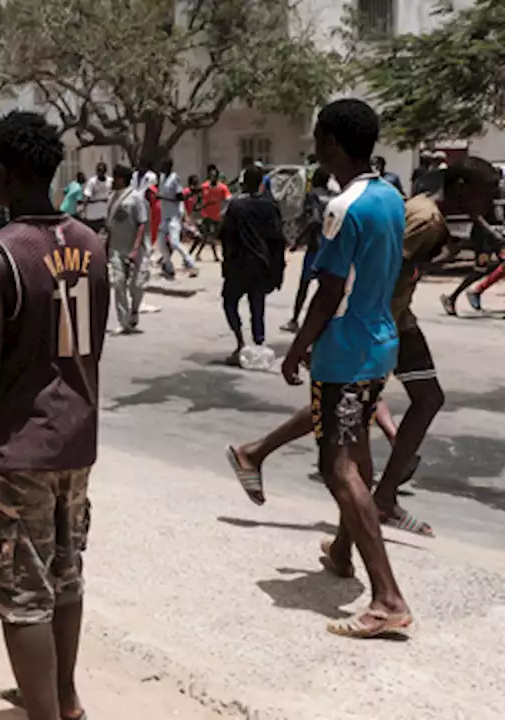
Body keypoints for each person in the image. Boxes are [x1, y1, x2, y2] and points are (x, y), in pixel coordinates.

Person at [228, 99, 414, 639]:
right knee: (358, 452)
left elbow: (329, 289)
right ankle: (340, 550)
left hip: (346, 351)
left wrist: (297, 349)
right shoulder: (390, 198)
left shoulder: (342, 208)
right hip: (380, 341)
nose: (315, 146)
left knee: (339, 468)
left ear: (333, 143)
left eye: (318, 138)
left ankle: (387, 598)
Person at [0, 110, 108, 720]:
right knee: (64, 573)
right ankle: (65, 700)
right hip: (77, 439)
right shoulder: (91, 244)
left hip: (18, 450)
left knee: (23, 594)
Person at [219, 166, 285, 366]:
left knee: (229, 302)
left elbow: (225, 236)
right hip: (261, 264)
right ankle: (258, 344)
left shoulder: (236, 207)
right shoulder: (270, 207)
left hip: (239, 263)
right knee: (257, 306)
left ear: (244, 182)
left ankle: (240, 342)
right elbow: (278, 240)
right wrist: (279, 269)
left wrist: (226, 261)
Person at [282, 167, 335, 332]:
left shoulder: (313, 197)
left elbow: (314, 221)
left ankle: (295, 320)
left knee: (304, 285)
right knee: (327, 286)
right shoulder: (333, 197)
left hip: (315, 247)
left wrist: (298, 240)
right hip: (330, 245)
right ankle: (328, 321)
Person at [105, 164, 150, 334]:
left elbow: (142, 224)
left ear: (120, 179)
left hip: (136, 250)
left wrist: (135, 249)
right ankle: (124, 322)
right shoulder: (111, 199)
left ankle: (134, 310)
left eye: (114, 178)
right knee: (118, 283)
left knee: (137, 285)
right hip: (116, 248)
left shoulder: (136, 198)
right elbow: (108, 226)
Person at [156, 158, 198, 279]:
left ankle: (190, 263)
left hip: (174, 214)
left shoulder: (175, 178)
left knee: (174, 242)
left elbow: (179, 197)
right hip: (165, 215)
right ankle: (168, 266)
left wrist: (163, 197)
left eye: (163, 165)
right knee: (161, 242)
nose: (161, 168)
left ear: (169, 166)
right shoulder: (162, 178)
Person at [192, 165, 229, 261]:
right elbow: (199, 197)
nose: (213, 177)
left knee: (208, 236)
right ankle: (215, 256)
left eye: (215, 175)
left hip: (217, 215)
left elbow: (227, 198)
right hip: (206, 215)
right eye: (211, 175)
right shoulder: (204, 186)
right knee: (210, 234)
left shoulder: (222, 187)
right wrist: (198, 206)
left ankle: (198, 254)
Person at [81, 163, 112, 234]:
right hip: (93, 213)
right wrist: (83, 209)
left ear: (105, 171)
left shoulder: (110, 181)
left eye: (101, 170)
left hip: (105, 212)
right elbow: (87, 196)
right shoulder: (92, 182)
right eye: (98, 170)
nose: (100, 172)